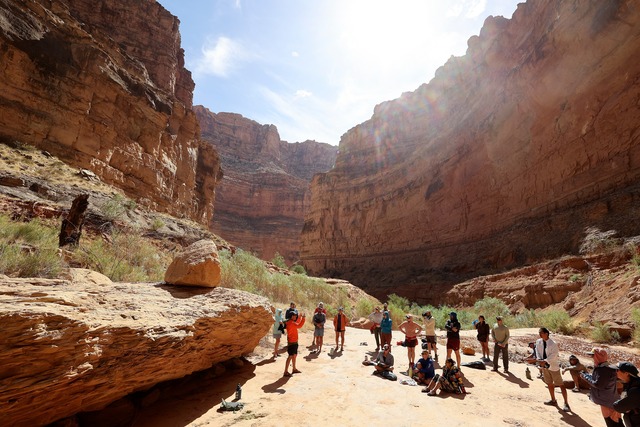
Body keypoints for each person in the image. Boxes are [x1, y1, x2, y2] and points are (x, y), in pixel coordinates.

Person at [526, 327, 570, 412]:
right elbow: (537, 351)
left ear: (546, 333)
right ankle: (553, 400)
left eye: (541, 333)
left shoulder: (553, 344)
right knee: (549, 383)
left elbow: (554, 355)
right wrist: (540, 361)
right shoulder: (538, 342)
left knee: (560, 384)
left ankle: (566, 403)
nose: (540, 334)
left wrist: (545, 361)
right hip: (544, 367)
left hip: (553, 366)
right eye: (539, 333)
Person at [580, 348, 623, 427]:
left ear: (598, 357)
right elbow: (599, 380)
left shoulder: (603, 370)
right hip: (611, 399)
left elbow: (598, 384)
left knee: (612, 422)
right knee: (616, 421)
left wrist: (585, 377)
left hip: (606, 401)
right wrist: (586, 375)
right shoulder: (608, 368)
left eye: (593, 356)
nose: (592, 358)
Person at [613, 362, 640, 427]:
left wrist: (624, 407)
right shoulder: (629, 384)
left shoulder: (635, 390)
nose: (615, 372)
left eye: (617, 370)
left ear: (626, 373)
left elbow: (618, 406)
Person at [283, 311, 306, 377]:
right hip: (292, 342)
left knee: (294, 355)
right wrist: (303, 318)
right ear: (292, 316)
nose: (295, 316)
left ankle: (294, 369)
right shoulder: (291, 323)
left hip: (293, 341)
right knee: (290, 356)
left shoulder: (290, 322)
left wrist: (300, 317)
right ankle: (286, 371)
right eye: (295, 315)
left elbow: (297, 323)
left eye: (296, 315)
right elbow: (299, 325)